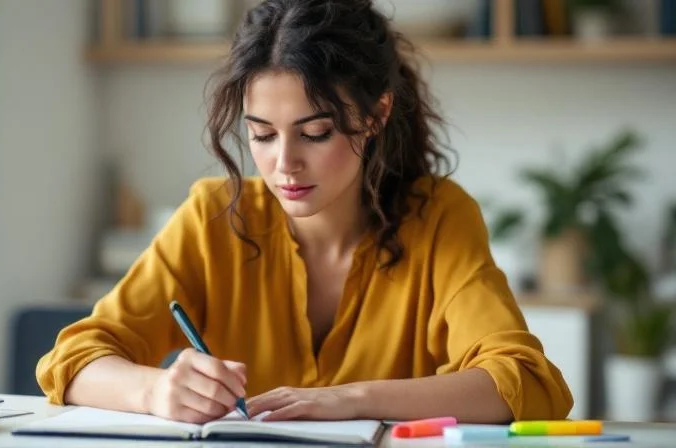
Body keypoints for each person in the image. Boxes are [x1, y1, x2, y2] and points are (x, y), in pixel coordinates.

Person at [37, 0, 573, 424]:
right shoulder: (213, 217)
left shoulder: (437, 218)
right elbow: (73, 360)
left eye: (315, 133)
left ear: (376, 114)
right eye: (262, 135)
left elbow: (525, 381)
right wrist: (156, 390)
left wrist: (352, 399)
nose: (284, 164)